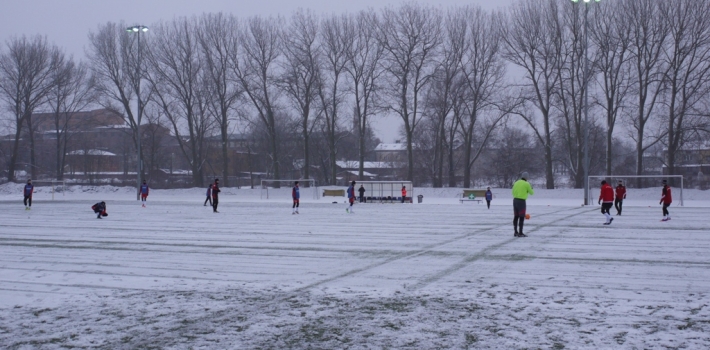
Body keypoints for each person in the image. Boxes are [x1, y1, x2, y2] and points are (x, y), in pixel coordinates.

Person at [512, 172, 534, 237]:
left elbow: (512, 192)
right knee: (521, 217)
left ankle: (515, 231)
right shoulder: (527, 184)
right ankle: (520, 232)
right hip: (521, 201)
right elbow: (532, 193)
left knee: (516, 216)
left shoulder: (516, 182)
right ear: (527, 177)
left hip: (515, 200)